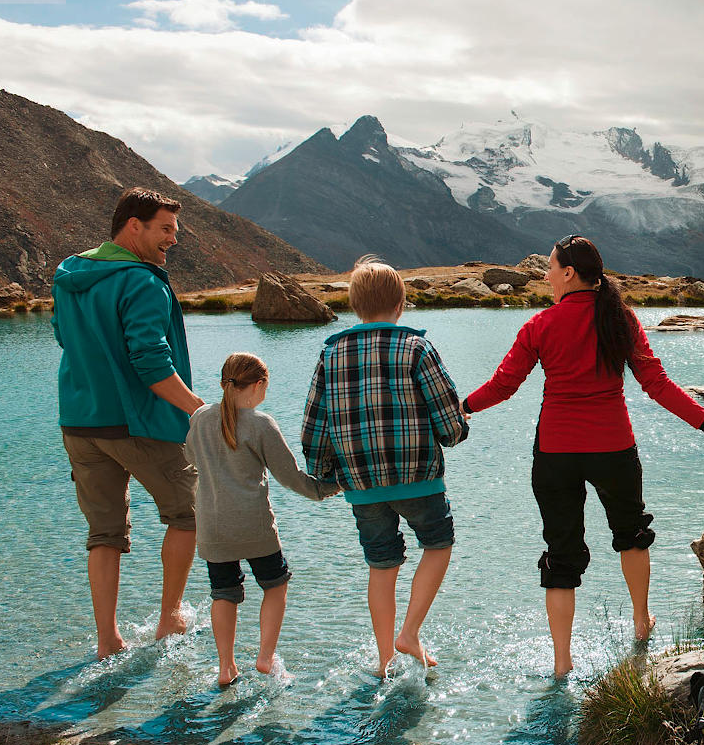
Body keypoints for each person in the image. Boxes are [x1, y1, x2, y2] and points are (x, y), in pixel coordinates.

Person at [462, 236, 704, 677]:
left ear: (569, 273)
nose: (546, 274)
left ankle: (561, 661)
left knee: (560, 552)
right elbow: (658, 385)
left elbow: (502, 387)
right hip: (613, 448)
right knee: (631, 533)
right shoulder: (621, 318)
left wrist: (459, 409)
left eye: (551, 267)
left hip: (555, 452)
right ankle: (640, 621)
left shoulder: (540, 325)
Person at [52, 187, 205, 660]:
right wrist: (200, 411)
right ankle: (169, 618)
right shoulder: (142, 281)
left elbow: (62, 335)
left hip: (80, 420)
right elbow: (150, 361)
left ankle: (108, 639)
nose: (172, 240)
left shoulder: (69, 274)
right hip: (140, 422)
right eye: (165, 229)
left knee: (104, 532)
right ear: (133, 225)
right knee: (189, 514)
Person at [301, 257, 469, 677]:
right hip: (419, 480)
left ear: (355, 306)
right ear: (401, 304)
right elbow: (449, 423)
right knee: (438, 544)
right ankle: (409, 633)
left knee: (381, 564)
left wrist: (323, 472)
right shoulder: (417, 347)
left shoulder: (330, 353)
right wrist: (456, 433)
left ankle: (384, 659)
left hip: (361, 485)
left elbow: (314, 423)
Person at [185, 353, 338, 687]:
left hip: (212, 527)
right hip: (254, 526)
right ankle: (265, 658)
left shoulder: (199, 417)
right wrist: (327, 489)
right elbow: (291, 477)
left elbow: (190, 456)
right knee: (276, 584)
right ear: (258, 385)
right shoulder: (260, 423)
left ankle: (226, 668)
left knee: (223, 593)